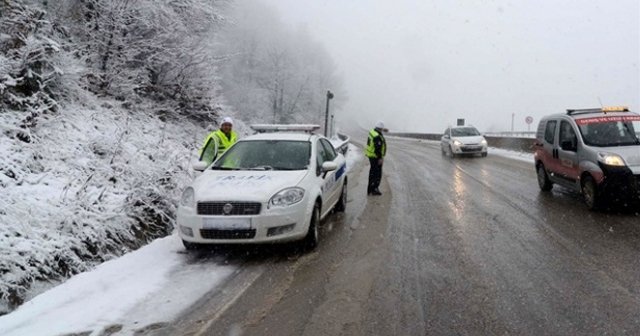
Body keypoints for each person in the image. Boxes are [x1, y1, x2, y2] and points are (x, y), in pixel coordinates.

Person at [365, 121, 387, 195]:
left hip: (371, 156)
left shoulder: (373, 132)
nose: (382, 130)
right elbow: (378, 148)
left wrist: (384, 130)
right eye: (381, 129)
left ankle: (370, 189)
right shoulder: (377, 136)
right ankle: (374, 189)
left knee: (372, 173)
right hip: (375, 157)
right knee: (377, 174)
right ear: (379, 129)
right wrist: (380, 158)